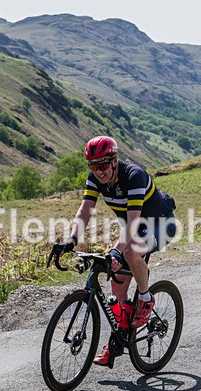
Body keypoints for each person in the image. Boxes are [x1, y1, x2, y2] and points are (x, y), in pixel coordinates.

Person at [55, 136, 177, 366]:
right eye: (93, 166)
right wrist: (71, 240)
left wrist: (115, 250)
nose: (98, 172)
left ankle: (145, 298)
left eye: (102, 165)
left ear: (114, 160)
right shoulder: (96, 179)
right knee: (116, 287)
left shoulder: (134, 176)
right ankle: (116, 343)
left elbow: (132, 224)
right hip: (135, 229)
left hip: (160, 224)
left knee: (129, 253)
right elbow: (85, 211)